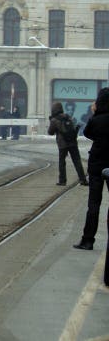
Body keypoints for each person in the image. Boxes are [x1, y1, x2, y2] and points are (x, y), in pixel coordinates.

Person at [74, 88, 109, 251]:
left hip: (96, 166)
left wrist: (95, 113)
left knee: (94, 204)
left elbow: (87, 133)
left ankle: (88, 240)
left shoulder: (97, 119)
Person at [48, 102, 88, 186]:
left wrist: (52, 123)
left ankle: (62, 180)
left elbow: (50, 132)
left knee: (62, 162)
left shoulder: (54, 120)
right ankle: (83, 179)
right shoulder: (68, 117)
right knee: (77, 161)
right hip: (73, 142)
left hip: (63, 144)